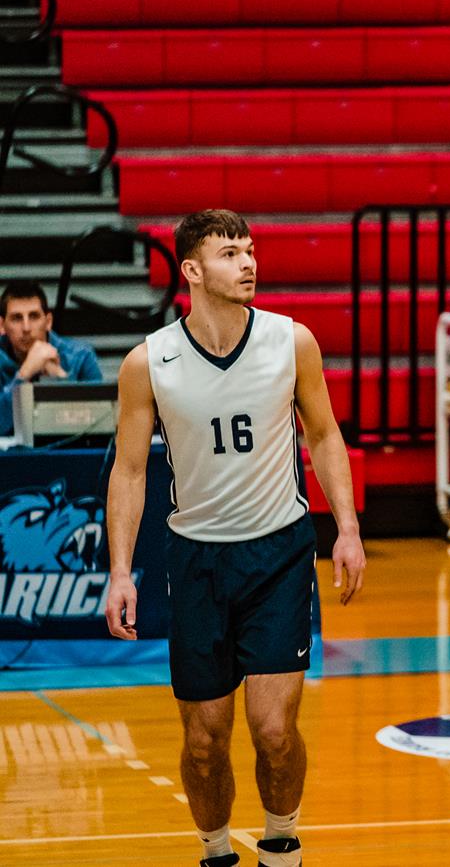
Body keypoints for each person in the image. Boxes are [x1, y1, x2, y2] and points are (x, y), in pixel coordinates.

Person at [103, 209, 367, 867]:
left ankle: (282, 844)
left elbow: (325, 434)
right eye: (229, 253)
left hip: (278, 552)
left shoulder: (291, 341)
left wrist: (347, 528)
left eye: (249, 250)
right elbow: (129, 471)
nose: (247, 263)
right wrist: (120, 570)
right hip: (195, 559)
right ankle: (216, 851)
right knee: (204, 743)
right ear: (192, 270)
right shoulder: (149, 362)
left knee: (274, 731)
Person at [0, 280, 103, 437]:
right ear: (2, 326)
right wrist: (23, 374)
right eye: (16, 318)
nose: (26, 328)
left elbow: (99, 421)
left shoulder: (81, 356)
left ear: (48, 322)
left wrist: (59, 378)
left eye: (34, 316)